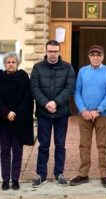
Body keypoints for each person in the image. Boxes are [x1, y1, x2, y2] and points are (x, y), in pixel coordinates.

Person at [30, 39, 75, 187]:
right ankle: (41, 175)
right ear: (46, 51)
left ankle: (59, 174)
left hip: (61, 112)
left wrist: (55, 102)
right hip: (44, 113)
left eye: (55, 51)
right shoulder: (37, 68)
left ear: (59, 52)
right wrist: (46, 103)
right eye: (50, 51)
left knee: (60, 144)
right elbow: (34, 88)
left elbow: (69, 88)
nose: (52, 54)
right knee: (43, 145)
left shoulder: (68, 67)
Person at [70, 45, 106, 189]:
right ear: (89, 56)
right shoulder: (83, 71)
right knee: (84, 144)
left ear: (102, 56)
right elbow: (77, 92)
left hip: (102, 115)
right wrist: (83, 110)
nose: (95, 57)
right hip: (85, 115)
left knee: (102, 145)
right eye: (93, 54)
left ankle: (104, 175)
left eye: (98, 55)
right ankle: (83, 174)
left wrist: (99, 110)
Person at [0, 52, 34, 191]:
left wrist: (16, 113)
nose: (11, 64)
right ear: (5, 64)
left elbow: (28, 98)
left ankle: (15, 179)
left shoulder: (24, 78)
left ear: (18, 64)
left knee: (18, 150)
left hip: (19, 121)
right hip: (3, 120)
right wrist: (6, 112)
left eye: (13, 62)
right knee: (5, 151)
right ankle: (5, 180)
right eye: (8, 62)